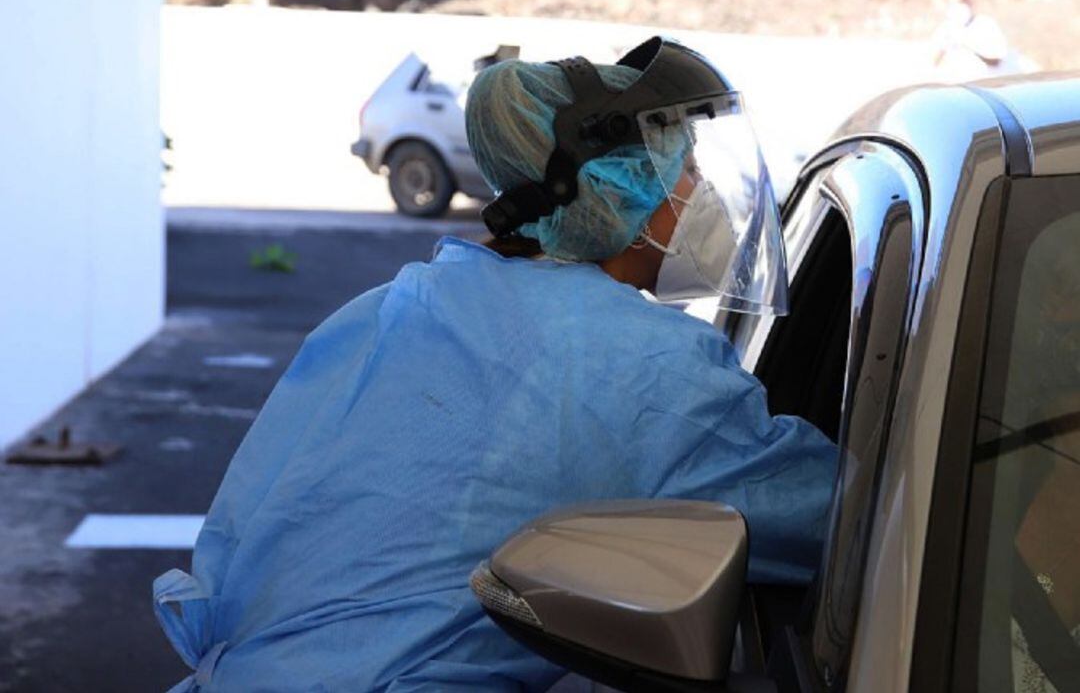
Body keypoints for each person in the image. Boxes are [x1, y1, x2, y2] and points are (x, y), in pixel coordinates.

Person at [153, 37, 838, 692]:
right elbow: (843, 521)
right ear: (615, 188)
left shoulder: (401, 304)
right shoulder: (645, 366)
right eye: (685, 169)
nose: (703, 192)